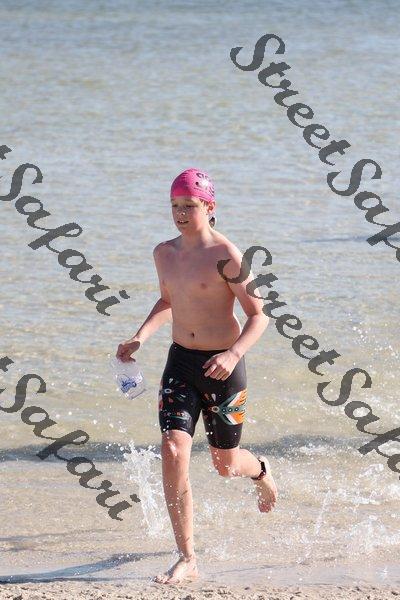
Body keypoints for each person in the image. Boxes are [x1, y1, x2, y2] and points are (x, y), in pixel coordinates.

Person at [116, 168, 278, 585]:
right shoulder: (164, 253)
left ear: (209, 207)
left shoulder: (228, 255)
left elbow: (259, 315)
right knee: (172, 450)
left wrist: (233, 353)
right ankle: (187, 557)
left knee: (226, 464)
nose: (180, 214)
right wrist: (140, 337)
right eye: (175, 205)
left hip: (223, 369)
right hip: (182, 364)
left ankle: (261, 471)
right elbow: (168, 300)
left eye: (189, 205)